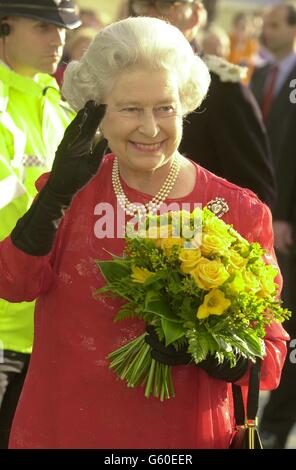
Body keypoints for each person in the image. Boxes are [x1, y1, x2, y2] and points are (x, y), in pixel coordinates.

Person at [0, 16, 288, 449]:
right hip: (64, 429)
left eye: (165, 107)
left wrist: (215, 352)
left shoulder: (238, 211)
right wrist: (55, 195)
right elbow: (13, 283)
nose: (150, 129)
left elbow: (270, 357)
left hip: (184, 439)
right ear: (96, 108)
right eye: (130, 108)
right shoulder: (68, 193)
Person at [0, 0, 81, 448]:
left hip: (50, 331)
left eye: (64, 28)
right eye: (43, 27)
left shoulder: (61, 107)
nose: (59, 39)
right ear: (4, 29)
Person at [127, 0, 276, 210]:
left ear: (195, 16)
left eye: (164, 6)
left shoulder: (222, 88)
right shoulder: (123, 80)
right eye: (143, 6)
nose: (151, 15)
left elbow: (255, 195)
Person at [250, 3, 296, 449]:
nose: (265, 31)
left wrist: (285, 213)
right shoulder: (260, 76)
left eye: (274, 25)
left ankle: (281, 421)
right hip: (262, 217)